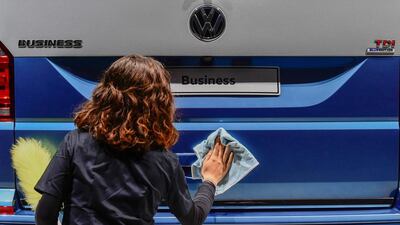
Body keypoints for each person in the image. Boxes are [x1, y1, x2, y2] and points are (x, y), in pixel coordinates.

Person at [34, 55, 234, 225]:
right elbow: (192, 218)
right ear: (160, 104)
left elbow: (44, 214)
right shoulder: (165, 161)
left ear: (105, 95)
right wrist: (210, 180)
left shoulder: (75, 143)